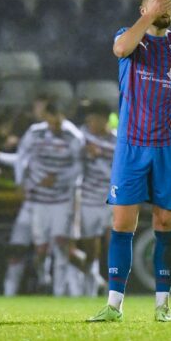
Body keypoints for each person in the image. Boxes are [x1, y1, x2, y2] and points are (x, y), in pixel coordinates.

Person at [88, 0, 171, 322]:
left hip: (168, 147)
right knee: (122, 221)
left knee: (164, 222)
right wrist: (147, 18)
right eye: (161, 1)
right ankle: (114, 305)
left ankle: (163, 306)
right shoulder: (130, 36)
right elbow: (119, 49)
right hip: (131, 145)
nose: (168, 6)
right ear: (144, 7)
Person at [15, 101, 84, 296]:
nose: (56, 126)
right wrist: (23, 182)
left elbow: (79, 167)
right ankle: (44, 277)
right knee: (41, 248)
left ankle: (58, 290)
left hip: (62, 199)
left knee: (61, 244)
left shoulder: (73, 136)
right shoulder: (35, 133)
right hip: (39, 198)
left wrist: (58, 179)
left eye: (59, 122)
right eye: (52, 122)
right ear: (46, 118)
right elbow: (22, 157)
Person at [79, 101, 116, 296]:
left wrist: (100, 153)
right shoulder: (81, 136)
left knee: (113, 242)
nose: (89, 122)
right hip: (87, 198)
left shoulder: (116, 139)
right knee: (91, 247)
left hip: (111, 199)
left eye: (93, 118)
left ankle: (114, 285)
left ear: (104, 119)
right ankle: (91, 283)